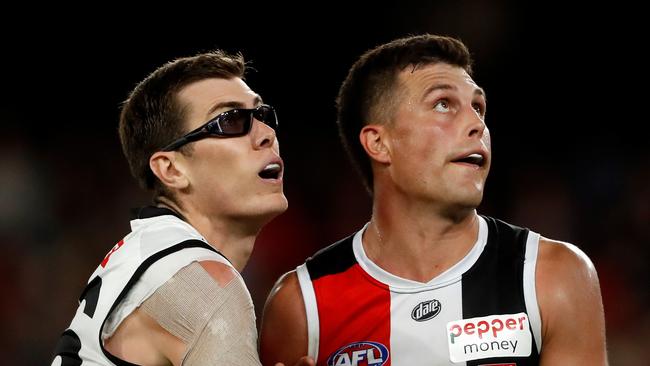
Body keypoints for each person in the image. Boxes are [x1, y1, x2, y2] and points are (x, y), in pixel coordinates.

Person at [260, 35, 607, 365]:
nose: (476, 124)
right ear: (379, 143)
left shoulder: (553, 276)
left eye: (478, 107)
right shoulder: (302, 306)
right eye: (443, 104)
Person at [51, 50, 312, 366]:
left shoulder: (153, 255)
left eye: (263, 115)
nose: (267, 135)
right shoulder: (201, 281)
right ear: (171, 170)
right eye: (231, 120)